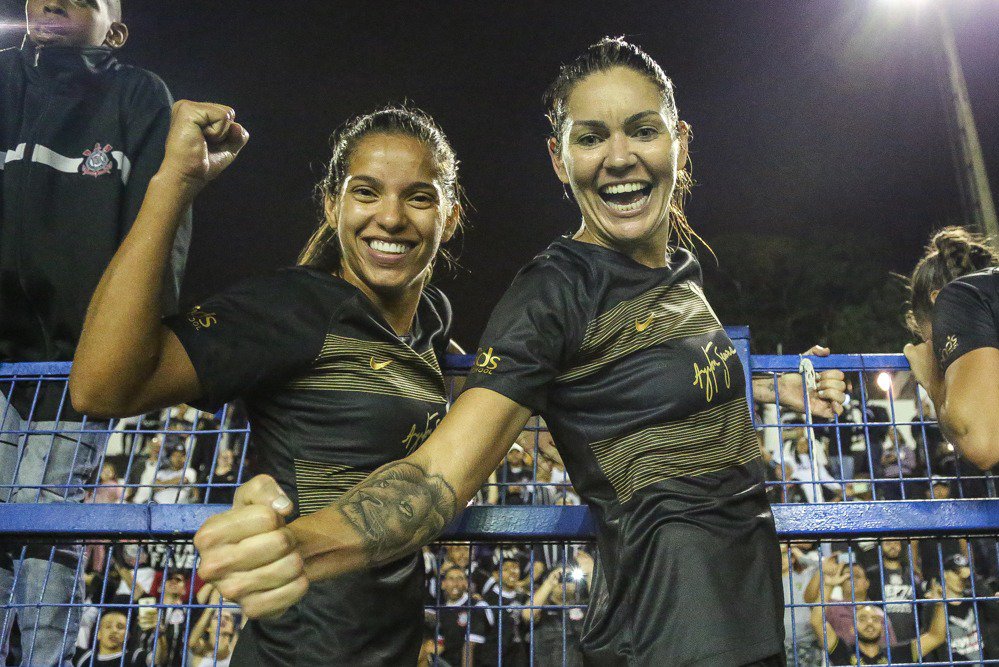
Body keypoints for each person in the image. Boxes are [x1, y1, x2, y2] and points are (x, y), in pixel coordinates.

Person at [195, 37, 847, 665]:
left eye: (642, 130)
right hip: (670, 636)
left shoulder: (679, 269)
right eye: (590, 137)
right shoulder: (553, 291)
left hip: (744, 624)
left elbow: (658, 383)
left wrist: (768, 390)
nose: (618, 156)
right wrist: (302, 545)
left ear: (680, 142)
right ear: (560, 160)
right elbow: (437, 475)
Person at [68, 99, 464, 665]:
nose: (392, 217)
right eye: (366, 191)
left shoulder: (432, 322)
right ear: (333, 205)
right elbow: (98, 389)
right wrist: (173, 185)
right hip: (294, 655)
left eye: (419, 196)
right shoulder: (291, 309)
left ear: (448, 218)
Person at [0, 2, 191, 663]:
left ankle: (47, 659)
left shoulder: (137, 95)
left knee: (36, 507)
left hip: (75, 363)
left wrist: (134, 340)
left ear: (116, 30)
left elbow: (158, 228)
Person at [903, 227, 999, 471]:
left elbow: (982, 445)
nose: (941, 357)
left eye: (937, 346)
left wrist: (934, 381)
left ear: (938, 300)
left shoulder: (957, 296)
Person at [812, 567, 947, 666]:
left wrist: (940, 605)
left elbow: (936, 637)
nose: (869, 623)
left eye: (875, 619)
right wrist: (828, 586)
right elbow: (816, 622)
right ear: (852, 628)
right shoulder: (843, 652)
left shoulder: (896, 654)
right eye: (862, 619)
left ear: (883, 628)